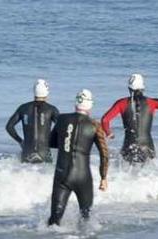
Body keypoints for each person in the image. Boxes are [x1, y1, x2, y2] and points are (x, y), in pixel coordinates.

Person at [48, 90, 109, 226]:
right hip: (83, 177)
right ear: (90, 105)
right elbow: (104, 153)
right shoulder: (95, 125)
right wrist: (103, 178)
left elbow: (50, 143)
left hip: (62, 175)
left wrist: (66, 144)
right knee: (85, 219)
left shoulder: (62, 119)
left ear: (75, 103)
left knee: (54, 220)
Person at [101, 73, 158, 165]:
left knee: (126, 175)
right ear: (143, 88)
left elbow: (105, 120)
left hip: (129, 147)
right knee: (149, 175)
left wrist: (108, 133)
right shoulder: (152, 103)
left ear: (129, 88)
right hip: (147, 147)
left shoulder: (121, 103)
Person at [6, 79, 60, 163]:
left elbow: (9, 127)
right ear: (47, 92)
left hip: (27, 151)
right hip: (44, 152)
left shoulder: (23, 108)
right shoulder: (51, 109)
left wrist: (20, 141)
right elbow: (62, 128)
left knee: (25, 174)